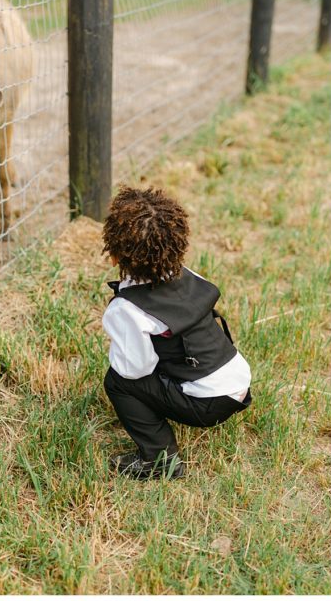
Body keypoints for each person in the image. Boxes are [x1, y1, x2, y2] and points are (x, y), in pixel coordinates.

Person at [101, 186, 252, 480]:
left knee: (118, 381)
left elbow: (136, 369)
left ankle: (159, 461)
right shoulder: (187, 275)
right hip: (238, 381)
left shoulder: (127, 309)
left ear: (115, 255)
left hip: (209, 403)